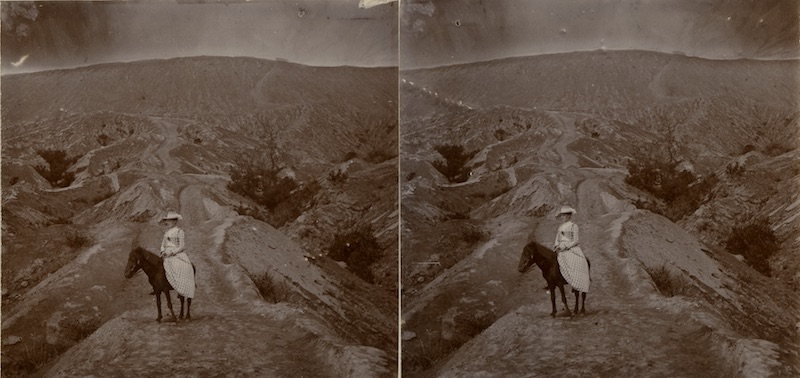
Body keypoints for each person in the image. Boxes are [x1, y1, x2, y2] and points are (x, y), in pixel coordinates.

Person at [158, 211, 195, 300]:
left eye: (170, 221)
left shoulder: (180, 231)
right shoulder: (166, 233)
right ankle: (158, 286)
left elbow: (182, 246)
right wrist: (163, 251)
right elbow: (163, 244)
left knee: (179, 267)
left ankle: (181, 289)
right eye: (167, 221)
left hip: (176, 254)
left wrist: (172, 252)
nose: (168, 223)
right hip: (166, 254)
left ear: (175, 222)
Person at [553, 206, 590, 293]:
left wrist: (566, 247)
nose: (563, 217)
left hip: (571, 247)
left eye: (565, 215)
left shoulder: (574, 226)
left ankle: (575, 284)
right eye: (562, 215)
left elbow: (576, 240)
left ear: (569, 216)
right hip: (560, 247)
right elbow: (557, 238)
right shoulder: (561, 226)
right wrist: (557, 245)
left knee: (573, 261)